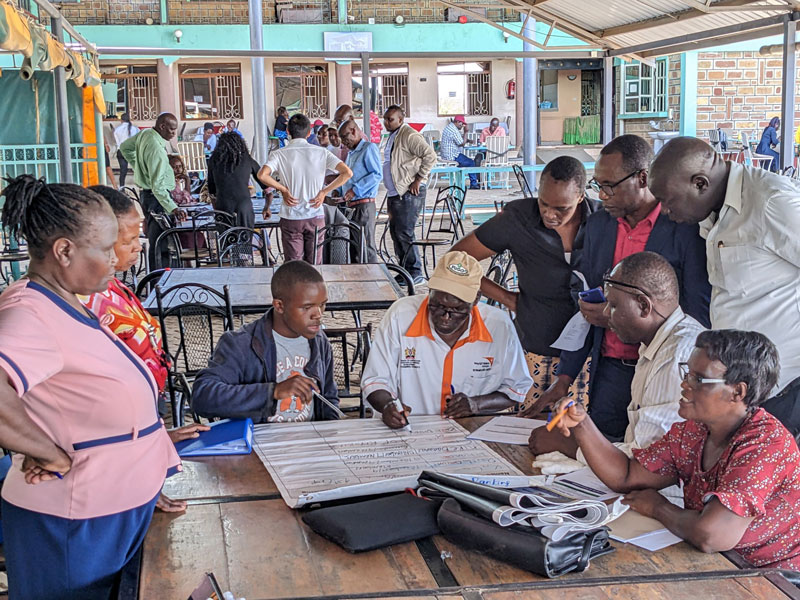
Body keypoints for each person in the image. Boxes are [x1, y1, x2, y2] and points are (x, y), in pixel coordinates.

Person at [0, 175, 180, 598]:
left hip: (108, 507)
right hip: (74, 519)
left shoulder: (63, 301)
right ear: (64, 251)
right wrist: (44, 451)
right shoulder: (30, 312)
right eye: (104, 249)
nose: (114, 260)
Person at [551, 329, 800, 571]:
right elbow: (627, 475)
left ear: (738, 391)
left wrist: (660, 508)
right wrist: (582, 424)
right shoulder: (694, 431)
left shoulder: (766, 444)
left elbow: (711, 535)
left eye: (698, 379)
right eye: (687, 373)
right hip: (715, 562)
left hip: (771, 577)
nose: (684, 384)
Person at [526, 135, 711, 440]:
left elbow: (697, 312)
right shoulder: (600, 226)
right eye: (598, 185)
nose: (603, 195)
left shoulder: (683, 228)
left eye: (609, 186)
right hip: (611, 368)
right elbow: (587, 306)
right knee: (603, 459)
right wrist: (564, 379)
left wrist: (614, 315)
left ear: (642, 178)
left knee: (653, 458)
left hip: (664, 372)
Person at [649, 137, 800, 435]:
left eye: (668, 200)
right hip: (742, 391)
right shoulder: (714, 211)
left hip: (785, 390)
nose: (664, 210)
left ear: (700, 183)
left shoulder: (770, 201)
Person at [80, 185, 210, 514]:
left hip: (141, 431)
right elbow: (100, 416)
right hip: (112, 470)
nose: (139, 247)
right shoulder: (86, 304)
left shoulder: (114, 286)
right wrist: (140, 480)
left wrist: (158, 439)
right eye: (128, 240)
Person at [528, 252, 705, 469]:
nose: (605, 313)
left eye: (613, 305)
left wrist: (571, 446)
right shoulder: (658, 343)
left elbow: (648, 461)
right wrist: (583, 431)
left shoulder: (676, 355)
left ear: (643, 305)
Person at [452, 156, 598, 410]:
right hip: (535, 343)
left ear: (581, 197)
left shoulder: (603, 221)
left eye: (562, 208)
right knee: (528, 426)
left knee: (581, 433)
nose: (550, 215)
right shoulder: (518, 219)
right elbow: (457, 261)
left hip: (591, 351)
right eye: (544, 203)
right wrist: (506, 298)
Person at [362, 252, 532, 428]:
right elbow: (375, 379)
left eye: (457, 309)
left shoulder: (499, 326)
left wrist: (476, 404)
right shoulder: (400, 316)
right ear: (429, 292)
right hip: (409, 432)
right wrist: (388, 405)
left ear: (476, 299)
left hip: (469, 433)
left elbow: (515, 389)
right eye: (437, 306)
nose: (445, 316)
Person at [192, 260, 340, 422]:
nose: (318, 314)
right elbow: (202, 397)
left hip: (308, 442)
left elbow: (329, 398)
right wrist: (272, 392)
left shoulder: (319, 341)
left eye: (322, 305)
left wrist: (331, 431)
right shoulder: (241, 344)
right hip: (258, 443)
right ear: (279, 306)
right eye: (307, 307)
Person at [257, 114, 352, 263]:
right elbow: (347, 173)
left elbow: (262, 175)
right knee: (314, 263)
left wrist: (283, 189)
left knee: (294, 266)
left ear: (288, 132)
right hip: (315, 215)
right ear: (309, 133)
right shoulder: (321, 152)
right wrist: (324, 192)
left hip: (291, 216)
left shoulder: (279, 154)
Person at [119, 112, 187, 269]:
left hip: (149, 195)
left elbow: (125, 148)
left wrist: (139, 166)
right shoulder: (156, 149)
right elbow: (157, 187)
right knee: (160, 244)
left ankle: (157, 280)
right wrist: (173, 208)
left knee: (157, 241)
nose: (173, 133)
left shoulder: (146, 133)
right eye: (171, 129)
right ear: (162, 126)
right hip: (157, 199)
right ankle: (159, 282)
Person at [383, 105, 438, 285]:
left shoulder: (409, 135)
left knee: (405, 232)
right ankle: (405, 271)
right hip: (395, 193)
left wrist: (419, 178)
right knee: (396, 233)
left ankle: (416, 272)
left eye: (390, 119)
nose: (386, 122)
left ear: (400, 119)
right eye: (385, 119)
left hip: (408, 192)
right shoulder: (393, 136)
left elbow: (430, 155)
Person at [339, 119, 381, 263]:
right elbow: (348, 177)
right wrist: (339, 190)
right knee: (355, 247)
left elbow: (376, 175)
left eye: (345, 137)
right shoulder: (351, 153)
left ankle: (373, 279)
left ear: (354, 131)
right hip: (352, 205)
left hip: (364, 205)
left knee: (366, 246)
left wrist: (355, 190)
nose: (344, 142)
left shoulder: (368, 148)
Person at [207, 131, 267, 229]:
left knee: (226, 241)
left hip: (223, 208)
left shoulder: (214, 161)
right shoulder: (247, 160)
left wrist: (217, 209)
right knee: (245, 240)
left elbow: (212, 191)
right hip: (244, 208)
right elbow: (266, 186)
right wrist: (267, 207)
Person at [441, 115, 479, 189]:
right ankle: (474, 184)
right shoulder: (453, 130)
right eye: (462, 124)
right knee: (471, 162)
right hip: (452, 156)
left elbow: (458, 139)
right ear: (458, 122)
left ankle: (463, 182)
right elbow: (461, 143)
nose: (462, 126)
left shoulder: (450, 127)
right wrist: (466, 132)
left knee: (467, 161)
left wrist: (468, 140)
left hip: (446, 155)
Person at [113, 112, 138, 188]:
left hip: (121, 151)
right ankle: (140, 184)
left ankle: (122, 187)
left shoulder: (117, 130)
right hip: (131, 151)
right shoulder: (135, 129)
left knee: (123, 170)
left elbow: (117, 142)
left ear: (121, 120)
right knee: (137, 168)